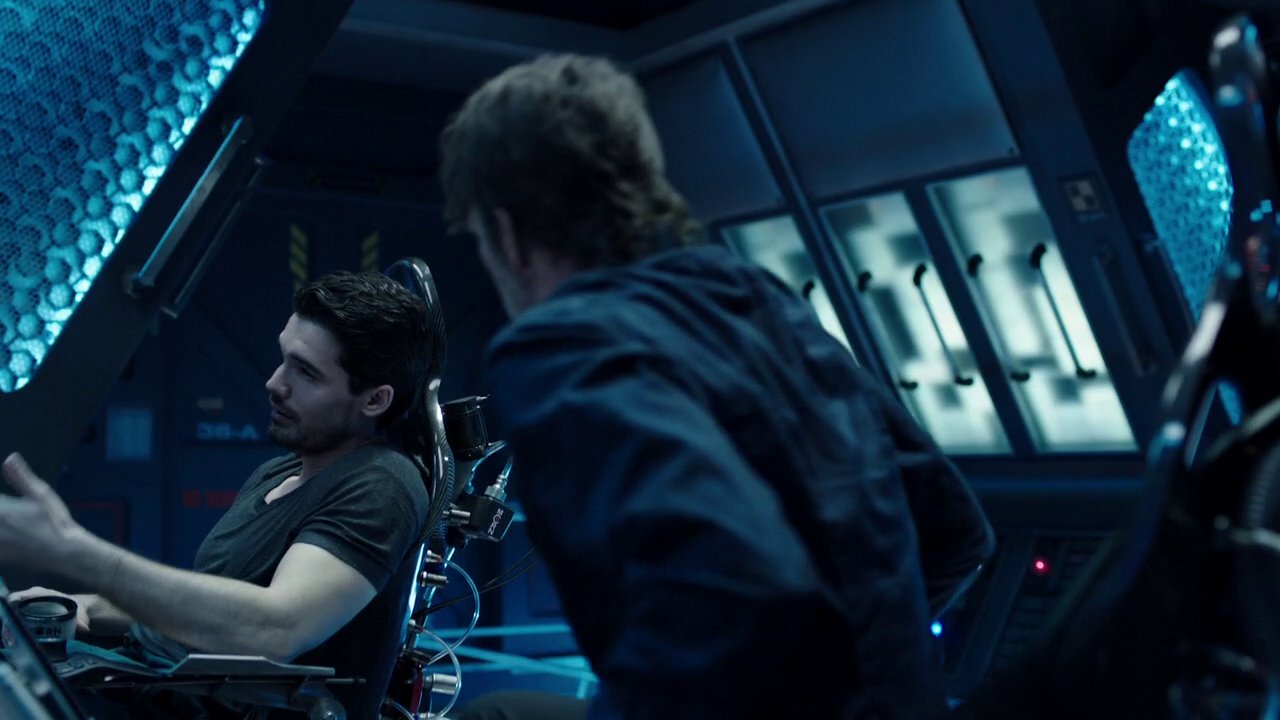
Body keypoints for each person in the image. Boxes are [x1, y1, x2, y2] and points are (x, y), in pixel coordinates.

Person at [439, 54, 995, 719]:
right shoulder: (756, 299)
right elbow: (955, 531)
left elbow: (735, 587)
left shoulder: (563, 344)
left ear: (506, 233)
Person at [0, 271, 433, 719]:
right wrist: (84, 607)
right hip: (138, 681)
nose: (275, 383)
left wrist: (70, 550)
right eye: (283, 359)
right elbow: (204, 614)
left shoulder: (383, 484)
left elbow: (277, 628)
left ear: (375, 400)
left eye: (305, 372)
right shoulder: (276, 473)